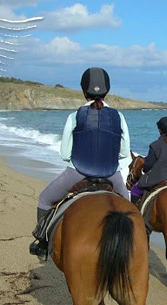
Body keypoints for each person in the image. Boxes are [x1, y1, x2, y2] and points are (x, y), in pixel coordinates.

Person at [35, 67, 130, 229]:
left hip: (77, 172)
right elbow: (124, 152)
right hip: (111, 174)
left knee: (44, 199)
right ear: (107, 89)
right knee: (130, 210)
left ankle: (41, 242)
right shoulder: (118, 117)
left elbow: (65, 155)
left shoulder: (74, 116)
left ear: (84, 90)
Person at [130, 116, 167, 205]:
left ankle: (137, 217)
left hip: (159, 179)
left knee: (134, 191)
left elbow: (147, 167)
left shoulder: (155, 145)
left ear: (160, 130)